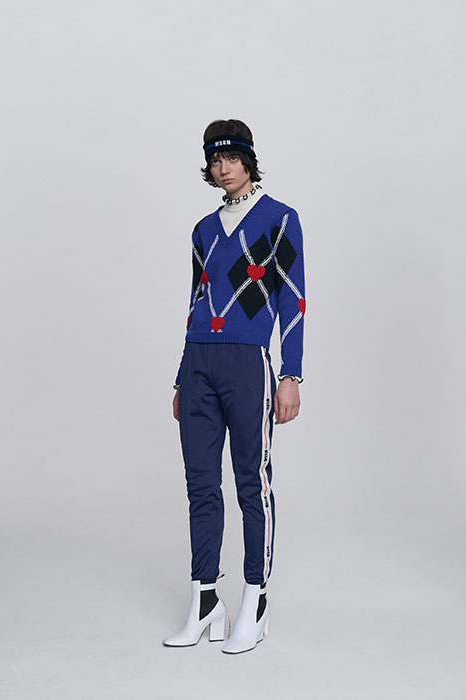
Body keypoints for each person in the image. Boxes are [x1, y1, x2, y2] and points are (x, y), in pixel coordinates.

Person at [162, 119, 306, 654]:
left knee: (252, 483)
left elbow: (292, 298)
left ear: (248, 160)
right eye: (214, 160)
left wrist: (290, 374)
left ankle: (255, 599)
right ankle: (205, 600)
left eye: (231, 158)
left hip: (248, 363)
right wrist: (182, 376)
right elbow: (196, 302)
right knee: (201, 484)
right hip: (199, 362)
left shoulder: (279, 218)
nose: (223, 168)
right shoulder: (203, 229)